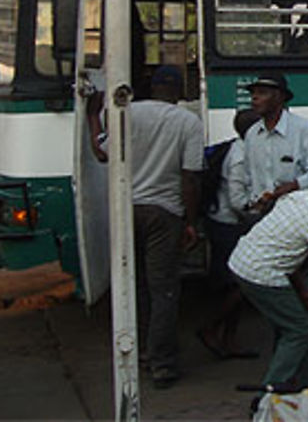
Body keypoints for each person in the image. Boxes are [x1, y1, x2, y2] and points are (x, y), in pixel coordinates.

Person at [86, 65, 203, 389]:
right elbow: (190, 177)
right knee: (163, 288)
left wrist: (92, 116)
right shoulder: (188, 122)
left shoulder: (125, 113)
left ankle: (137, 353)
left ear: (150, 87)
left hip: (126, 211)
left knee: (133, 285)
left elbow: (101, 153)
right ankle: (162, 363)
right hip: (164, 214)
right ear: (180, 91)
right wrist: (190, 223)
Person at [228, 156, 308, 393]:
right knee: (299, 330)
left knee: (300, 318)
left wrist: (303, 292)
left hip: (242, 260)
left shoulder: (296, 198)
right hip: (261, 274)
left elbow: (289, 255)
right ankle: (269, 393)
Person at [197, 108, 261, 360]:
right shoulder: (240, 157)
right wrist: (258, 215)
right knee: (242, 284)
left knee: (232, 285)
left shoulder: (240, 148)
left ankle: (228, 340)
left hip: (224, 222)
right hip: (228, 226)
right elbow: (237, 201)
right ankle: (211, 328)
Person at [236, 72, 308, 215]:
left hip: (296, 212)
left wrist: (294, 185)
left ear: (279, 97)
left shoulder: (305, 129)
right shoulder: (252, 135)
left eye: (262, 93)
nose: (254, 98)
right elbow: (248, 177)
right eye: (253, 94)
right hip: (262, 216)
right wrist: (253, 202)